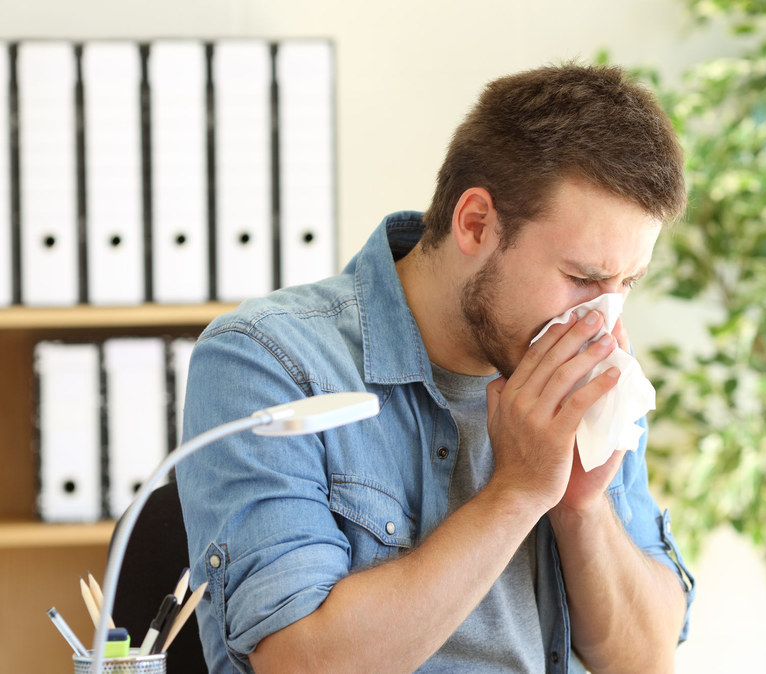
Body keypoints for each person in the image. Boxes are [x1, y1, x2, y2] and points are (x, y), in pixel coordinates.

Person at [176, 63, 695, 673]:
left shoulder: (588, 374)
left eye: (626, 283)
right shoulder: (268, 360)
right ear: (475, 223)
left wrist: (583, 507)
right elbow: (299, 662)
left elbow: (647, 659)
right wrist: (518, 493)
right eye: (582, 279)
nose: (601, 320)